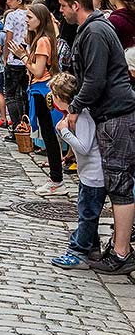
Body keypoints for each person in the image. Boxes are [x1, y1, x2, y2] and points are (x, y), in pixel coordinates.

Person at [59, 0, 135, 274]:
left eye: (64, 6)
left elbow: (95, 80)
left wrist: (75, 108)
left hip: (116, 114)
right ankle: (117, 245)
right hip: (114, 112)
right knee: (117, 182)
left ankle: (121, 253)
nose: (62, 11)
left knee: (118, 185)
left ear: (76, 5)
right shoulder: (95, 28)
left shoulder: (94, 31)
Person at [49, 72, 106, 269]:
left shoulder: (82, 116)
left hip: (94, 175)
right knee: (88, 212)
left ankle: (79, 250)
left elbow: (84, 147)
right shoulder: (76, 116)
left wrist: (64, 132)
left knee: (87, 214)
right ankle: (93, 248)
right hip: (88, 173)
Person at [9, 3, 64, 195]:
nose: (26, 20)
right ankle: (56, 177)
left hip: (42, 89)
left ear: (40, 19)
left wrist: (23, 57)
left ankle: (56, 179)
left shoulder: (42, 41)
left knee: (49, 134)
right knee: (49, 134)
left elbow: (38, 70)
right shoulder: (43, 38)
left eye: (30, 17)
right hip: (42, 88)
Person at [2, 0, 29, 143]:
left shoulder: (12, 16)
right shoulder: (30, 14)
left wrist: (6, 57)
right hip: (27, 58)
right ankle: (27, 127)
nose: (8, 1)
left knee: (11, 95)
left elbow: (8, 38)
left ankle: (17, 128)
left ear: (19, 0)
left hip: (14, 58)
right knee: (24, 95)